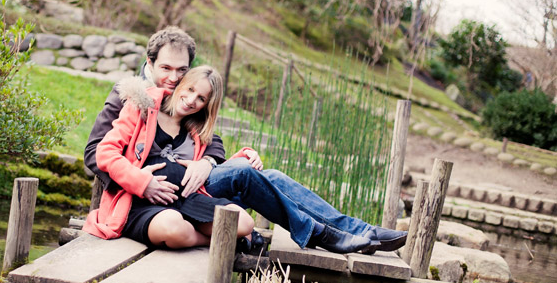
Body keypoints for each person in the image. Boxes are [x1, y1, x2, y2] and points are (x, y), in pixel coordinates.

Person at [84, 26, 407, 253]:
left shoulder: (189, 102)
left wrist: (208, 163)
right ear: (149, 63)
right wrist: (142, 183)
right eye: (165, 68)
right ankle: (325, 233)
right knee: (245, 177)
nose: (173, 77)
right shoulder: (133, 98)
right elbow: (96, 154)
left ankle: (358, 230)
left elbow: (213, 143)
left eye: (181, 70)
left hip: (196, 186)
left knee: (270, 176)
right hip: (149, 196)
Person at [83, 66, 257, 249]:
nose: (191, 101)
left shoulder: (196, 129)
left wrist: (245, 156)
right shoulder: (142, 108)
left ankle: (198, 233)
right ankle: (211, 240)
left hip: (186, 199)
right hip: (139, 202)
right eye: (190, 89)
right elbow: (105, 151)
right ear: (181, 83)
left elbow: (215, 163)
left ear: (207, 105)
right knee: (173, 226)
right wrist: (141, 181)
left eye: (201, 98)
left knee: (244, 222)